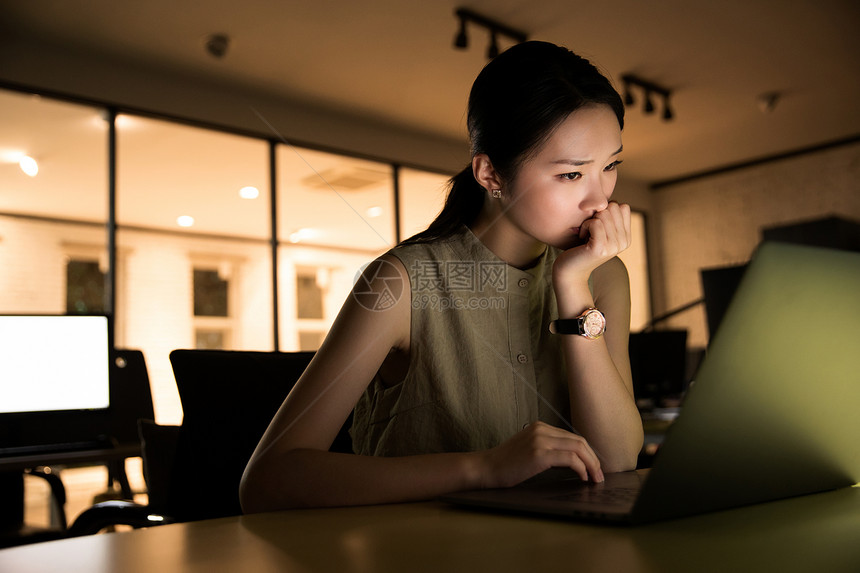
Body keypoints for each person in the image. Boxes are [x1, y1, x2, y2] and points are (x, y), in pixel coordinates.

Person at [240, 41, 643, 512]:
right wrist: (483, 468)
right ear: (490, 173)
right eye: (571, 175)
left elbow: (616, 459)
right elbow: (268, 481)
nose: (600, 200)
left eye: (610, 165)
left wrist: (574, 289)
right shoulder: (399, 283)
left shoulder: (602, 276)